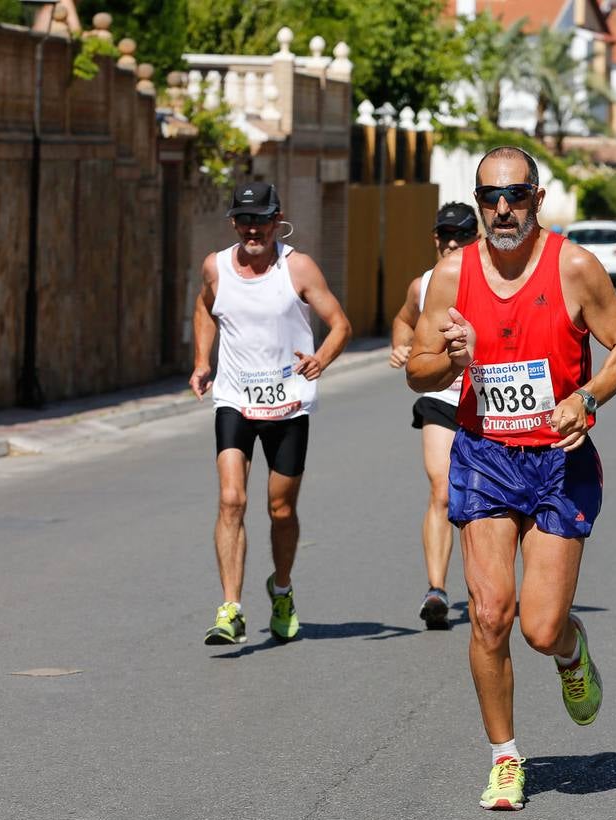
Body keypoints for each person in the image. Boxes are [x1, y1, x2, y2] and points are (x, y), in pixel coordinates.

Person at [406, 146, 616, 811]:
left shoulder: (574, 267)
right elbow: (418, 371)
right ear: (477, 202)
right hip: (485, 454)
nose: (502, 209)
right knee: (489, 615)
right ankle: (505, 758)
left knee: (540, 629)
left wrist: (589, 398)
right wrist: (447, 358)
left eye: (515, 196)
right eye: (489, 198)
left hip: (557, 463)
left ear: (537, 199)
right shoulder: (451, 276)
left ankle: (572, 651)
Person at [190, 182, 352, 646]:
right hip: (235, 398)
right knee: (231, 500)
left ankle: (281, 588)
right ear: (234, 223)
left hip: (288, 402)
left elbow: (340, 324)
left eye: (260, 219)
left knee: (280, 510)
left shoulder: (296, 267)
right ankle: (230, 608)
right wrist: (204, 361)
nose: (252, 228)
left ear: (278, 218)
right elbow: (204, 308)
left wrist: (321, 357)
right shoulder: (216, 266)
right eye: (243, 220)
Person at [389, 202, 481, 628]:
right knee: (442, 488)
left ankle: (486, 588)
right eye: (445, 234)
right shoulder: (423, 284)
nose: (451, 243)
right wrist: (402, 345)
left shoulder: (490, 280)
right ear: (435, 237)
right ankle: (437, 590)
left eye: (461, 236)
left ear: (475, 238)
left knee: (479, 498)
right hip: (441, 397)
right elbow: (404, 320)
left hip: (485, 402)